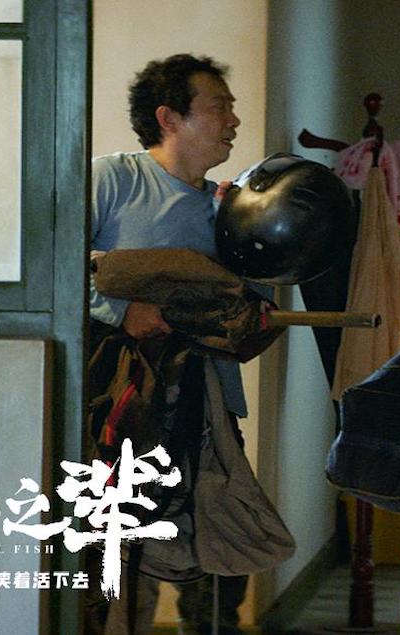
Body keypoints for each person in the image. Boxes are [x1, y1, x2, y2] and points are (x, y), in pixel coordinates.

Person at [86, 53, 246, 635]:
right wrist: (122, 310)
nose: (233, 120)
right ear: (169, 117)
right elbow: (52, 267)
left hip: (206, 407)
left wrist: (243, 234)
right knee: (115, 559)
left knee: (215, 558)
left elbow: (250, 305)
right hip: (120, 407)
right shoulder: (113, 179)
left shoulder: (230, 208)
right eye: (219, 106)